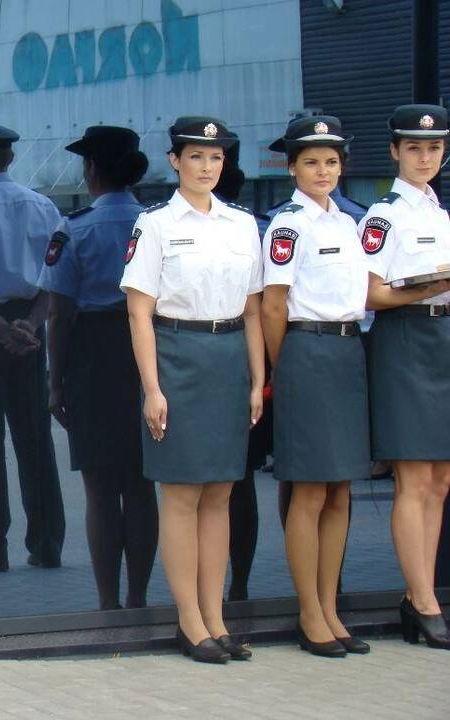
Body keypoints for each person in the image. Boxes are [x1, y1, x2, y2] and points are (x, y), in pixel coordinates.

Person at [121, 117, 264, 663]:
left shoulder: (241, 224)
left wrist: (257, 380)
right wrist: (151, 389)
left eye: (216, 158)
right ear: (175, 160)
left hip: (228, 357)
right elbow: (139, 313)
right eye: (196, 157)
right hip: (176, 355)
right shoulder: (153, 223)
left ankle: (216, 617)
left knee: (221, 491)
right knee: (180, 494)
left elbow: (252, 309)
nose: (207, 167)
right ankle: (189, 620)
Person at [261, 116, 371, 657]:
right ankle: (309, 612)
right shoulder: (287, 225)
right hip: (305, 349)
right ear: (292, 168)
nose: (322, 171)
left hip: (349, 351)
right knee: (309, 489)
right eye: (311, 162)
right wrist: (288, 367)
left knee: (341, 488)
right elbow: (273, 304)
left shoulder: (352, 223)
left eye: (331, 161)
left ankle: (331, 607)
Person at [38, 125, 157, 609]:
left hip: (91, 354)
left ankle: (107, 601)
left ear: (90, 169)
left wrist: (55, 382)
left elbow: (59, 314)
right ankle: (139, 597)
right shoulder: (155, 224)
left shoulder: (73, 228)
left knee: (100, 489)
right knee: (142, 484)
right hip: (146, 351)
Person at [359, 104, 450, 650]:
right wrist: (432, 287)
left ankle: (422, 597)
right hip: (406, 342)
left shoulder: (441, 215)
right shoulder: (383, 216)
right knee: (414, 479)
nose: (425, 157)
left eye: (435, 147)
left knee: (440, 479)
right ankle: (423, 600)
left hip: (442, 341)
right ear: (394, 151)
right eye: (414, 148)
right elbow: (370, 293)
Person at [0, 116, 66, 571]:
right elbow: (54, 276)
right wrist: (30, 325)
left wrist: (1, 329)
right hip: (31, 328)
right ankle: (47, 543)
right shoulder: (42, 207)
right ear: (10, 156)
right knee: (35, 440)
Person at [214, 141, 268, 603]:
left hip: (247, 360)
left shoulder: (256, 229)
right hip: (234, 361)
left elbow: (259, 309)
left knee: (238, 480)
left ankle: (241, 584)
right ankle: (236, 585)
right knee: (237, 482)